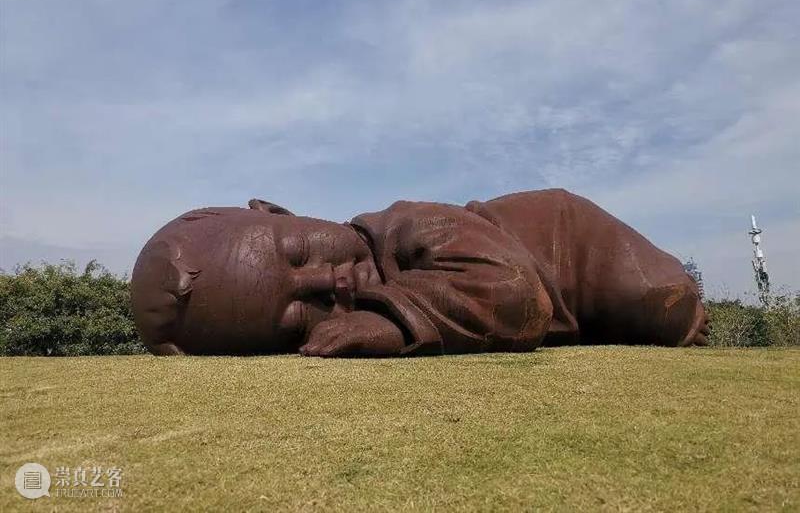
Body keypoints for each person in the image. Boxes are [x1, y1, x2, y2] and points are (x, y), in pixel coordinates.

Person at [131, 189, 708, 357]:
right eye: (293, 317)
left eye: (300, 253)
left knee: (657, 299)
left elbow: (512, 289)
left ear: (280, 212)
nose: (326, 282)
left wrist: (392, 319)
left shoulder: (408, 226)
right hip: (545, 298)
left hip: (569, 247)